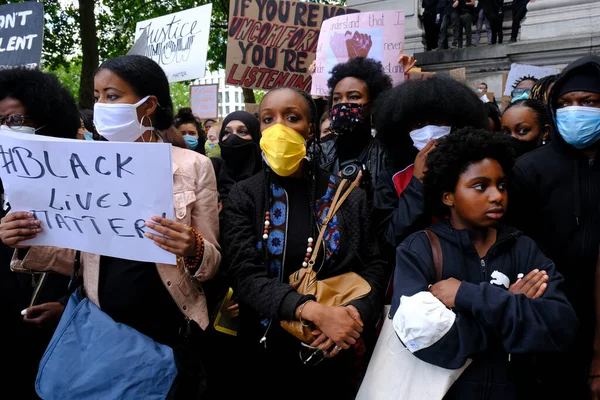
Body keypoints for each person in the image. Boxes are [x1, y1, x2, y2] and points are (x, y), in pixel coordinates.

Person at [1, 55, 222, 398]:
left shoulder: (194, 166)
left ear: (148, 105)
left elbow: (210, 264)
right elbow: (78, 252)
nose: (101, 105)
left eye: (113, 95)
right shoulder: (88, 162)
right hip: (102, 330)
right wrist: (26, 239)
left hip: (167, 331)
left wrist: (192, 248)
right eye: (96, 96)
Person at [221, 87, 386, 399]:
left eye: (292, 117)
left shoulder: (348, 195)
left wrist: (355, 313)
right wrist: (312, 311)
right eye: (268, 119)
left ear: (310, 129)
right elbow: (245, 275)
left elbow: (374, 264)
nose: (279, 126)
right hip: (264, 352)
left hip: (332, 349)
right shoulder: (245, 196)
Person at [391, 128, 578, 400]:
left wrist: (468, 296)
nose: (497, 196)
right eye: (480, 186)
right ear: (448, 196)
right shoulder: (420, 249)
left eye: (501, 185)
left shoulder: (522, 248)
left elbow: (560, 328)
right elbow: (425, 339)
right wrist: (511, 308)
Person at [509, 55, 600, 400]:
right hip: (546, 320)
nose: (575, 110)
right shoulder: (529, 170)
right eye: (565, 103)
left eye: (588, 102)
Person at [0, 67, 80, 399]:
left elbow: (102, 260)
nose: (5, 130)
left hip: (62, 344)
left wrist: (67, 306)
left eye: (15, 120)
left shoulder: (85, 186)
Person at [373, 77, 488, 251]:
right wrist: (417, 183)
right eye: (419, 125)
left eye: (437, 121)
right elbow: (389, 240)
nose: (429, 131)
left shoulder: (476, 170)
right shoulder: (392, 177)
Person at [321, 57, 393, 197]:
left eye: (353, 97)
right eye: (337, 98)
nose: (343, 103)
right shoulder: (319, 152)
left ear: (373, 104)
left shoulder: (388, 154)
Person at [217, 111, 262, 200]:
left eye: (242, 132)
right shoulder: (213, 170)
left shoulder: (269, 177)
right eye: (227, 132)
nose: (233, 138)